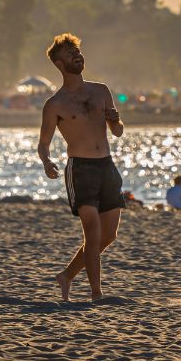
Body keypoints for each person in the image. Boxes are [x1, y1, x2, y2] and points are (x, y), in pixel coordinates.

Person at [36, 33, 125, 301]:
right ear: (60, 64)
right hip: (80, 169)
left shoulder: (101, 91)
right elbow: (43, 142)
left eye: (78, 51)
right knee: (93, 232)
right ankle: (96, 293)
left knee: (108, 235)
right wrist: (46, 161)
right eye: (70, 53)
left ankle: (66, 275)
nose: (77, 55)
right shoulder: (55, 104)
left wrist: (115, 121)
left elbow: (118, 131)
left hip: (106, 166)